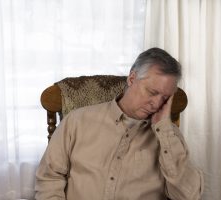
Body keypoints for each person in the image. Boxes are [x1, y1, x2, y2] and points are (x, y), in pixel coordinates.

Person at [35, 47, 203, 200]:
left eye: (165, 98)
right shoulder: (77, 121)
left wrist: (164, 130)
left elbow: (188, 196)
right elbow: (49, 178)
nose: (157, 103)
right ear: (132, 78)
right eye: (152, 92)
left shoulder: (170, 138)